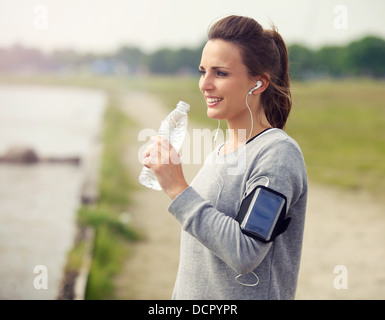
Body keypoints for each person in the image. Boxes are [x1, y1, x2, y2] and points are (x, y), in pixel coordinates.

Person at [142, 15, 308, 300]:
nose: (204, 84)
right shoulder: (222, 150)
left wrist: (177, 188)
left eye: (220, 73)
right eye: (202, 71)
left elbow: (246, 252)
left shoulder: (278, 154)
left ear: (258, 84)